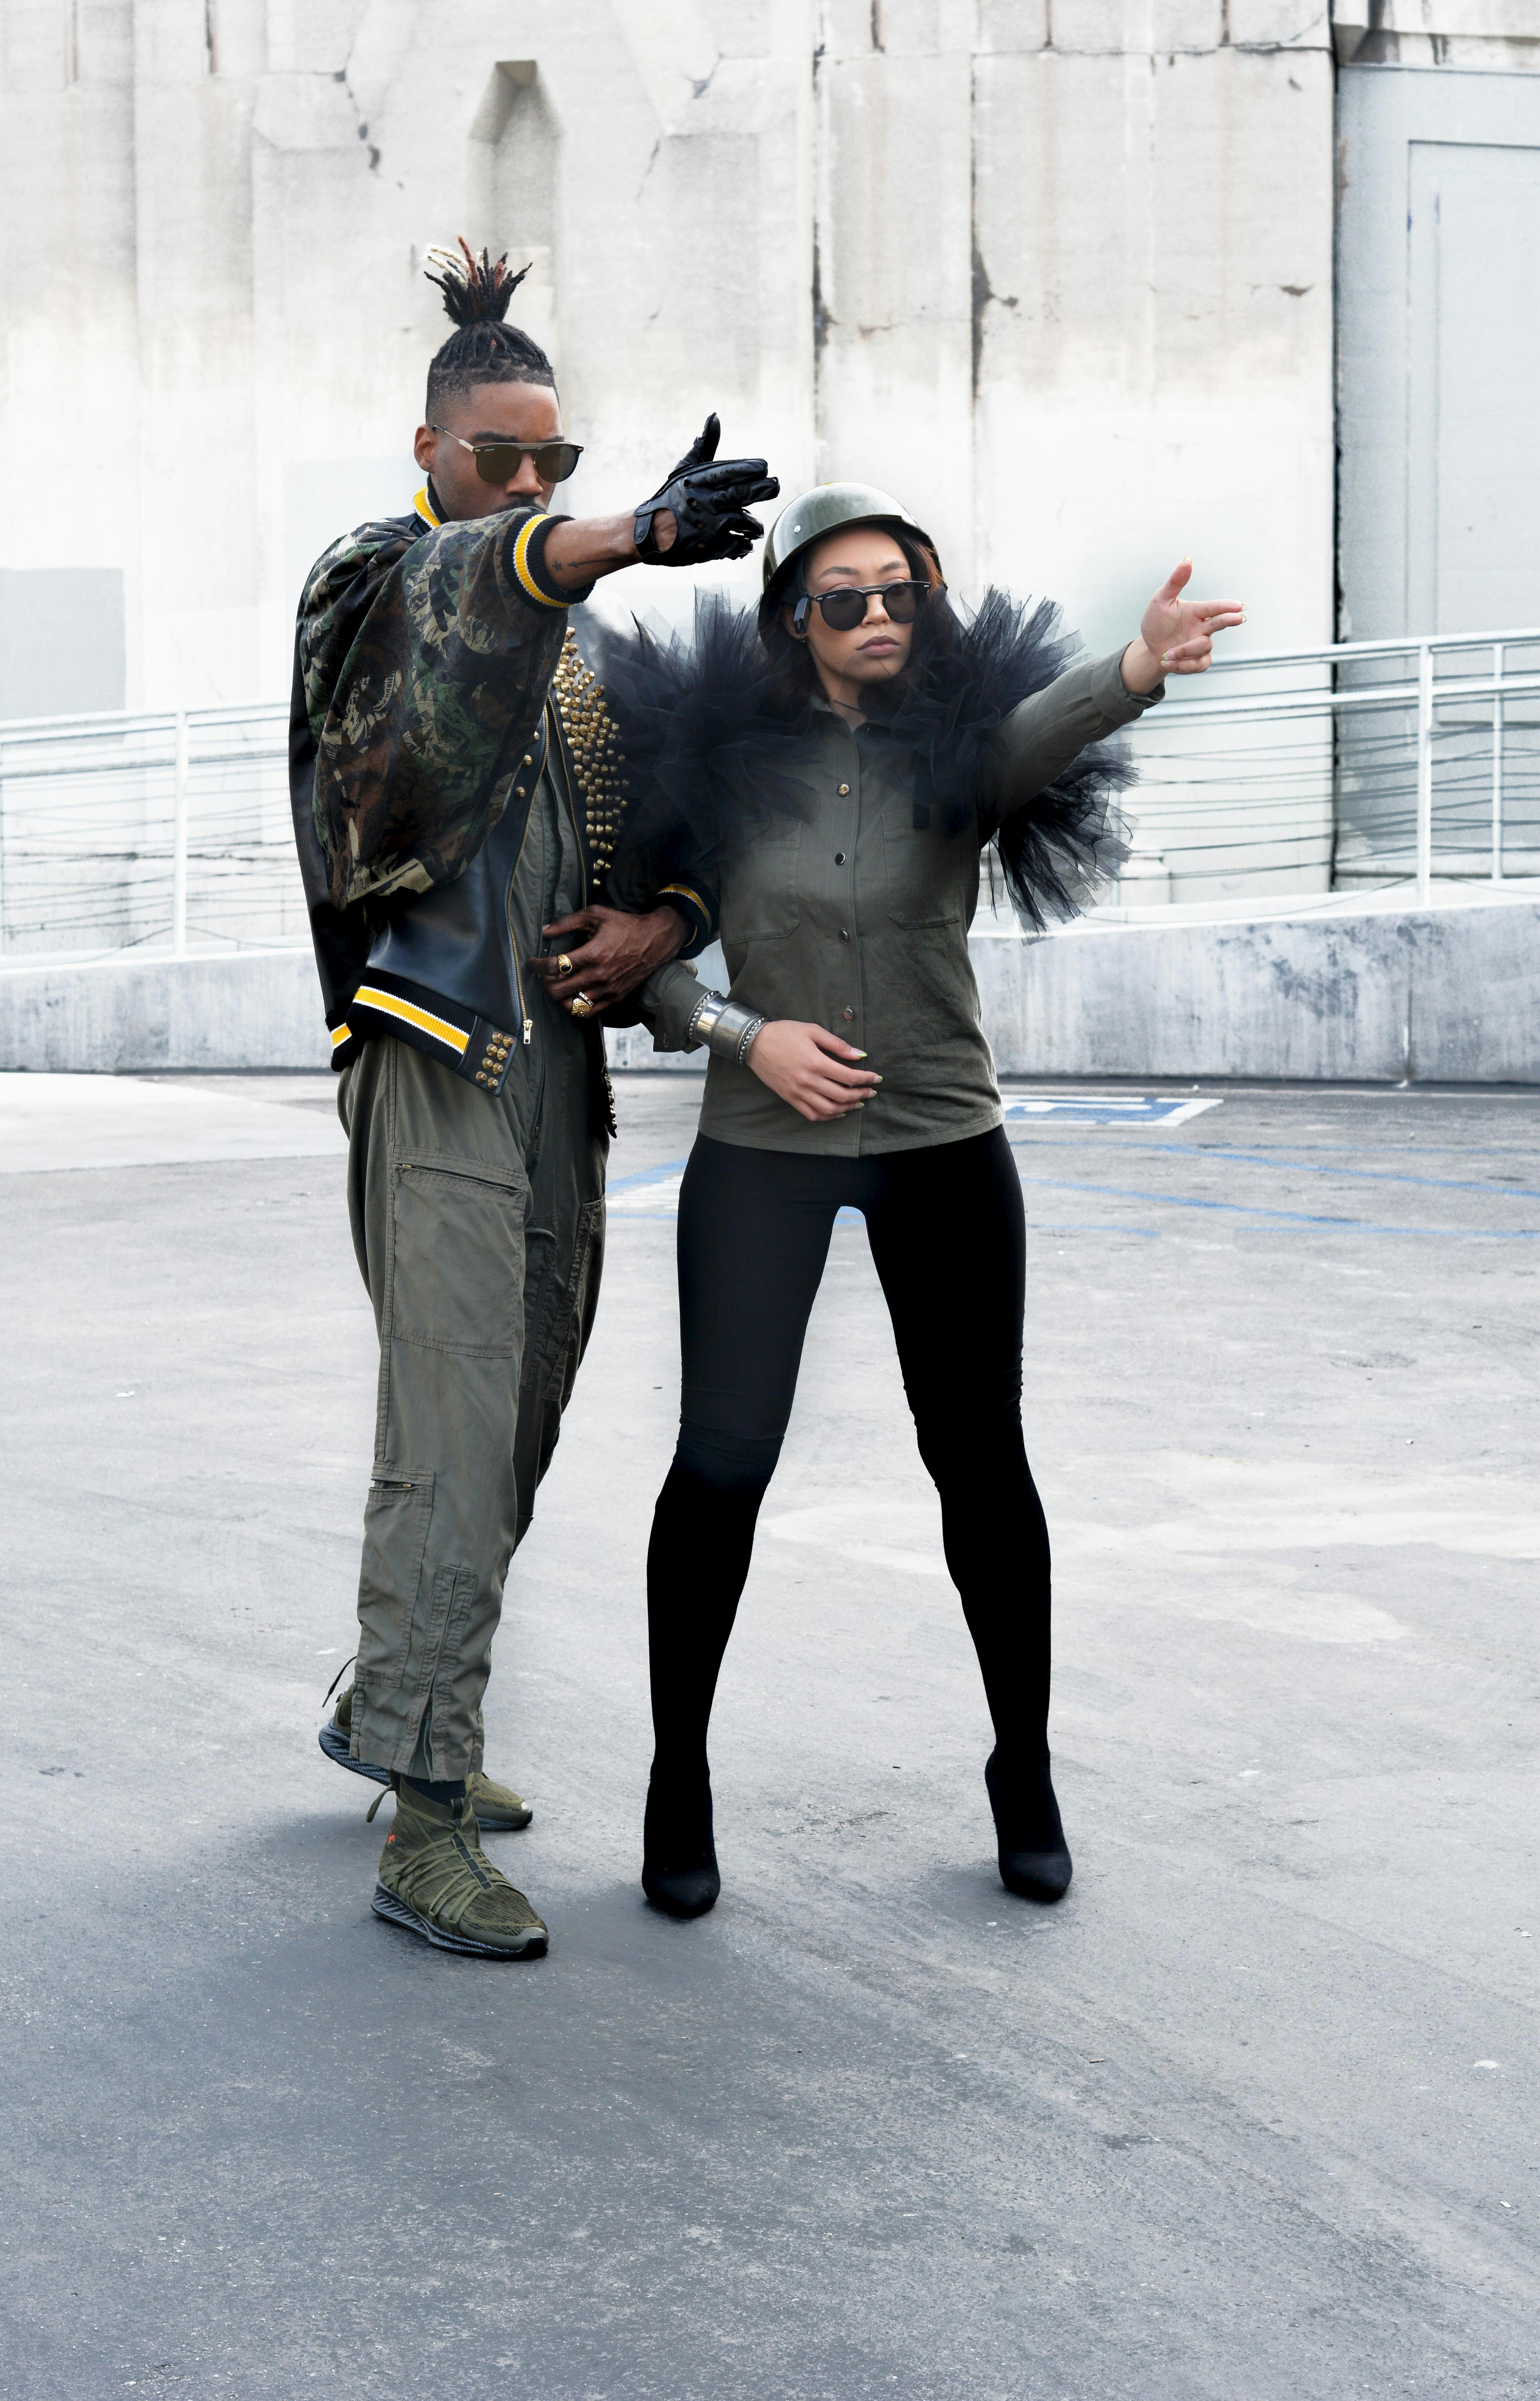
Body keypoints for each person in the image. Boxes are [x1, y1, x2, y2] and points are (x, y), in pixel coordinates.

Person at [596, 482, 1242, 1918]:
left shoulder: (957, 750)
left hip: (945, 1141)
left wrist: (1139, 666)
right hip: (762, 1147)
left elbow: (1044, 734)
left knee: (983, 1469)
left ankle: (1024, 1770)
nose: (879, 617)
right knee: (720, 1469)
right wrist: (740, 1033)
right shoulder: (716, 756)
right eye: (845, 600)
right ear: (794, 623)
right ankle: (677, 1778)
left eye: (901, 592)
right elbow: (644, 951)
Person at [288, 238, 777, 1958]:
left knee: (517, 1420)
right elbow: (466, 608)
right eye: (495, 454)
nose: (520, 481)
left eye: (549, 459)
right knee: (451, 1423)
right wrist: (623, 530)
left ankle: (387, 1698)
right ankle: (424, 1811)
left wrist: (673, 921)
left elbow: (653, 852)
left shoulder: (578, 664)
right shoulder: (377, 582)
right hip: (434, 1057)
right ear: (428, 452)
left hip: (558, 1077)